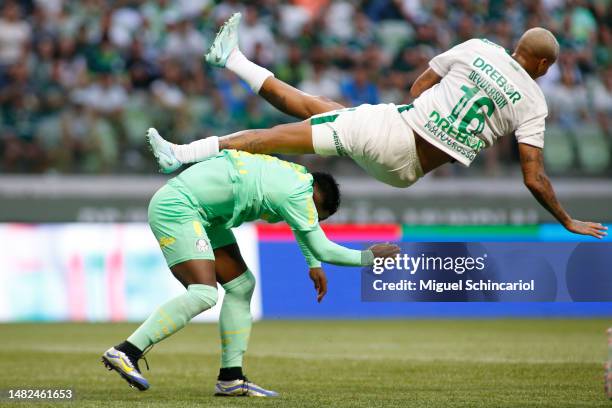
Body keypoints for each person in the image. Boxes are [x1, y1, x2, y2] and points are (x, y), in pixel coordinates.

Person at [148, 13, 607, 240]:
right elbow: (534, 176)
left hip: (394, 131)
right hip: (407, 171)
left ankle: (182, 154)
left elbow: (417, 85)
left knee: (274, 138)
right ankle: (232, 58)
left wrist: (427, 109)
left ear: (519, 47)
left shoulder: (478, 48)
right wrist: (565, 219)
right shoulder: (534, 102)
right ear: (544, 64)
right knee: (318, 106)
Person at [101, 148, 400, 396]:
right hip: (178, 208)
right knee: (204, 293)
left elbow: (305, 232)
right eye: (315, 218)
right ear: (315, 201)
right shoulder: (299, 196)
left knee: (242, 286)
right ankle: (127, 350)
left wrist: (313, 265)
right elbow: (321, 245)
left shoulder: (295, 179)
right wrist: (368, 256)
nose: (311, 222)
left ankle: (230, 378)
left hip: (207, 216)